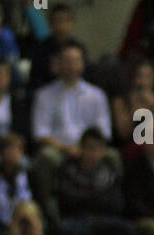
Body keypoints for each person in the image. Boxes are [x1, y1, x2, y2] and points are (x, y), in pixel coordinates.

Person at [30, 42, 111, 209]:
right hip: (59, 149)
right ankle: (48, 209)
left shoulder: (96, 95)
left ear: (82, 64)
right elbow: (40, 133)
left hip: (90, 149)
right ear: (57, 64)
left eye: (75, 60)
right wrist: (65, 148)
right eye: (66, 60)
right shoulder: (44, 95)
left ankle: (107, 206)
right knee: (46, 157)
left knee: (113, 156)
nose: (71, 65)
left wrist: (85, 149)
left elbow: (104, 131)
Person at [55, 126, 138, 235]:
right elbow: (67, 199)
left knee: (128, 230)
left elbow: (117, 203)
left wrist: (86, 196)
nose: (93, 153)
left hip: (105, 218)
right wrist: (97, 196)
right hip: (78, 218)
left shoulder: (109, 171)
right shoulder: (68, 169)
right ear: (81, 149)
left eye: (98, 148)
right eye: (90, 148)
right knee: (62, 230)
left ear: (103, 150)